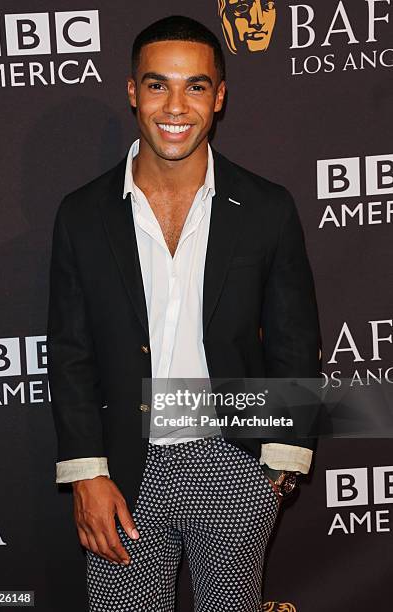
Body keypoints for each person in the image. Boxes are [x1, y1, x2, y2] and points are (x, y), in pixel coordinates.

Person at [47, 14, 321, 612]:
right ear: (131, 91)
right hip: (123, 465)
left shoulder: (267, 208)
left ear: (219, 97)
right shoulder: (82, 214)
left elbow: (294, 338)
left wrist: (279, 457)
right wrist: (87, 472)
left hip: (233, 459)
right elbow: (70, 354)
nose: (176, 105)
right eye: (157, 85)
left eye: (196, 86)